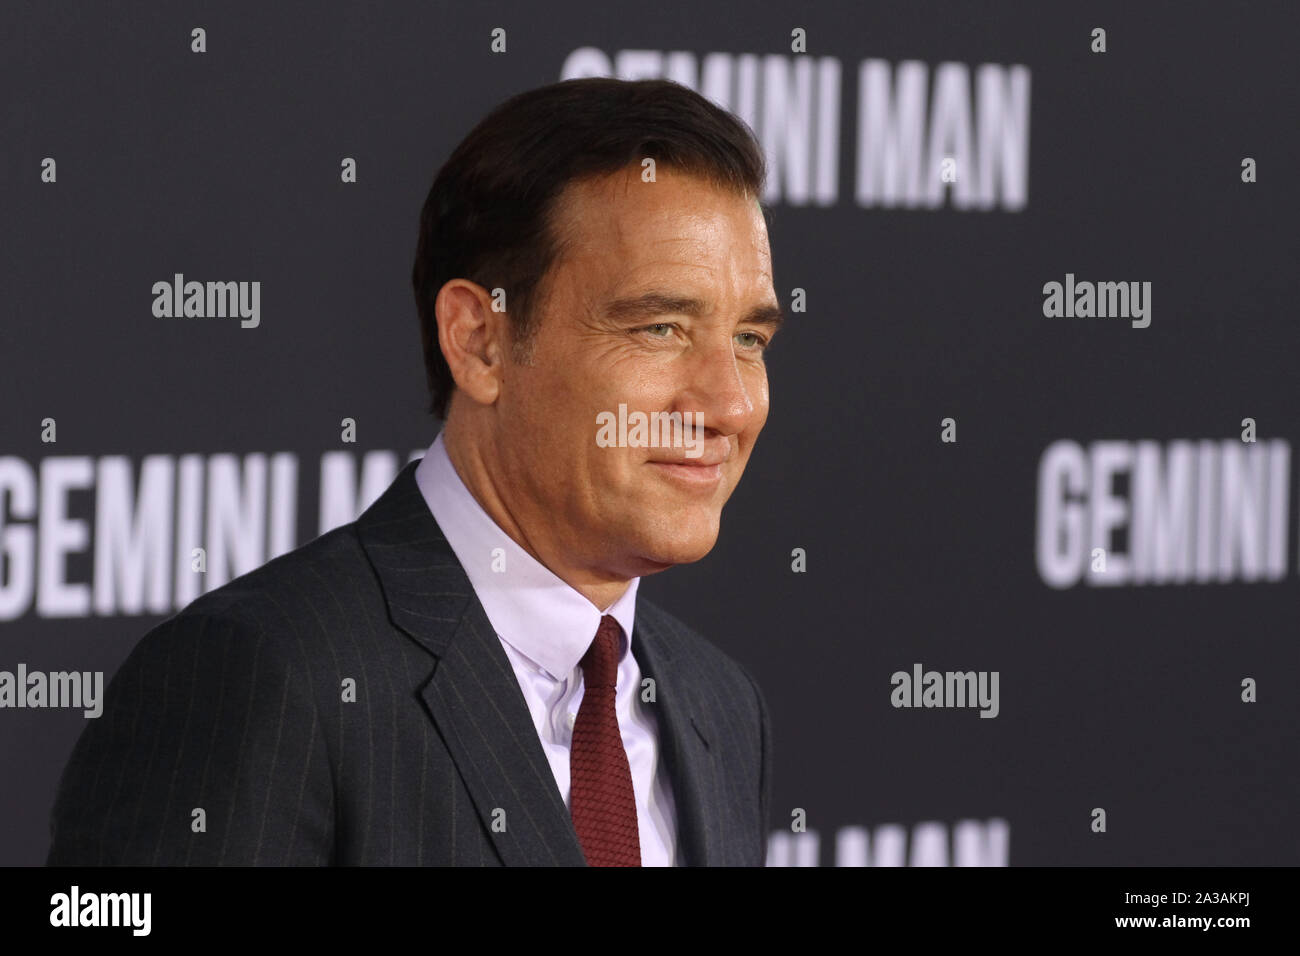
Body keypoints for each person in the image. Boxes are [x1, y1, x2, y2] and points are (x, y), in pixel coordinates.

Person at [47, 76, 780, 867]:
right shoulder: (264, 680)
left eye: (749, 340)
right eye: (662, 327)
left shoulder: (719, 705)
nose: (731, 406)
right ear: (479, 342)